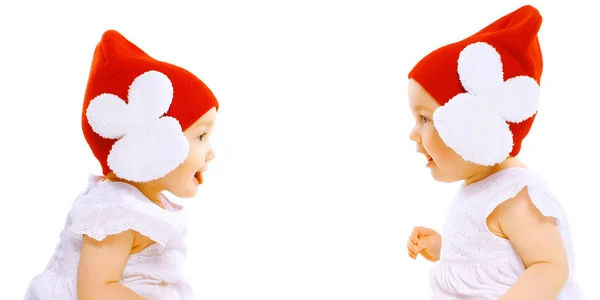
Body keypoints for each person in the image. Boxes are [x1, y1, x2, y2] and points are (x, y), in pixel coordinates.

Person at [405, 5, 584, 299]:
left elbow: (550, 266)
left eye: (425, 118)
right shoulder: (480, 187)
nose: (413, 134)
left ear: (473, 125)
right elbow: (491, 256)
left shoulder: (513, 197)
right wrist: (446, 248)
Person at [24, 29, 219, 299]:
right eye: (200, 136)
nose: (211, 152)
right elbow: (95, 291)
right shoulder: (117, 213)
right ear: (153, 144)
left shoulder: (146, 205)